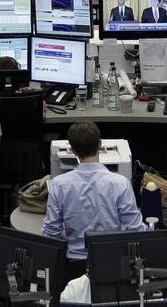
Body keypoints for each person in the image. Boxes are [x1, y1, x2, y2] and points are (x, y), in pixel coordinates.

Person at [42, 121, 146, 282]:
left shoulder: (58, 184)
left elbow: (50, 233)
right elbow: (136, 229)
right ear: (100, 144)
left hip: (75, 268)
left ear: (72, 150)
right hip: (113, 265)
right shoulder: (120, 183)